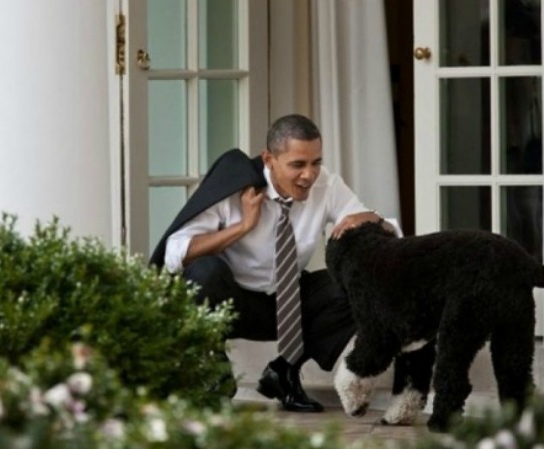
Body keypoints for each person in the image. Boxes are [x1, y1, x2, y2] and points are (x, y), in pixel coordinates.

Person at [151, 114, 393, 412]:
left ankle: (284, 372)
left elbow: (387, 234)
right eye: (298, 165)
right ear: (269, 159)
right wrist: (241, 227)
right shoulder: (235, 188)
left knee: (366, 280)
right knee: (203, 271)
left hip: (286, 304)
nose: (309, 175)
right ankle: (212, 371)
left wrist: (372, 218)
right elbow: (175, 253)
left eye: (315, 162)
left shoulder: (327, 186)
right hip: (231, 303)